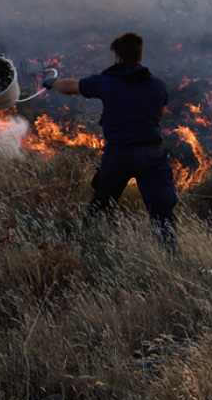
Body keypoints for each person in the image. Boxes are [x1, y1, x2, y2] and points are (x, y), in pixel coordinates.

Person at [46, 32, 178, 253]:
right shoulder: (158, 85)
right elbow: (160, 114)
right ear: (140, 56)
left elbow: (70, 86)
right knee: (162, 213)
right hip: (151, 155)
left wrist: (51, 82)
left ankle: (87, 251)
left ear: (117, 57)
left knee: (100, 207)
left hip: (118, 156)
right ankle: (170, 258)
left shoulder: (106, 82)